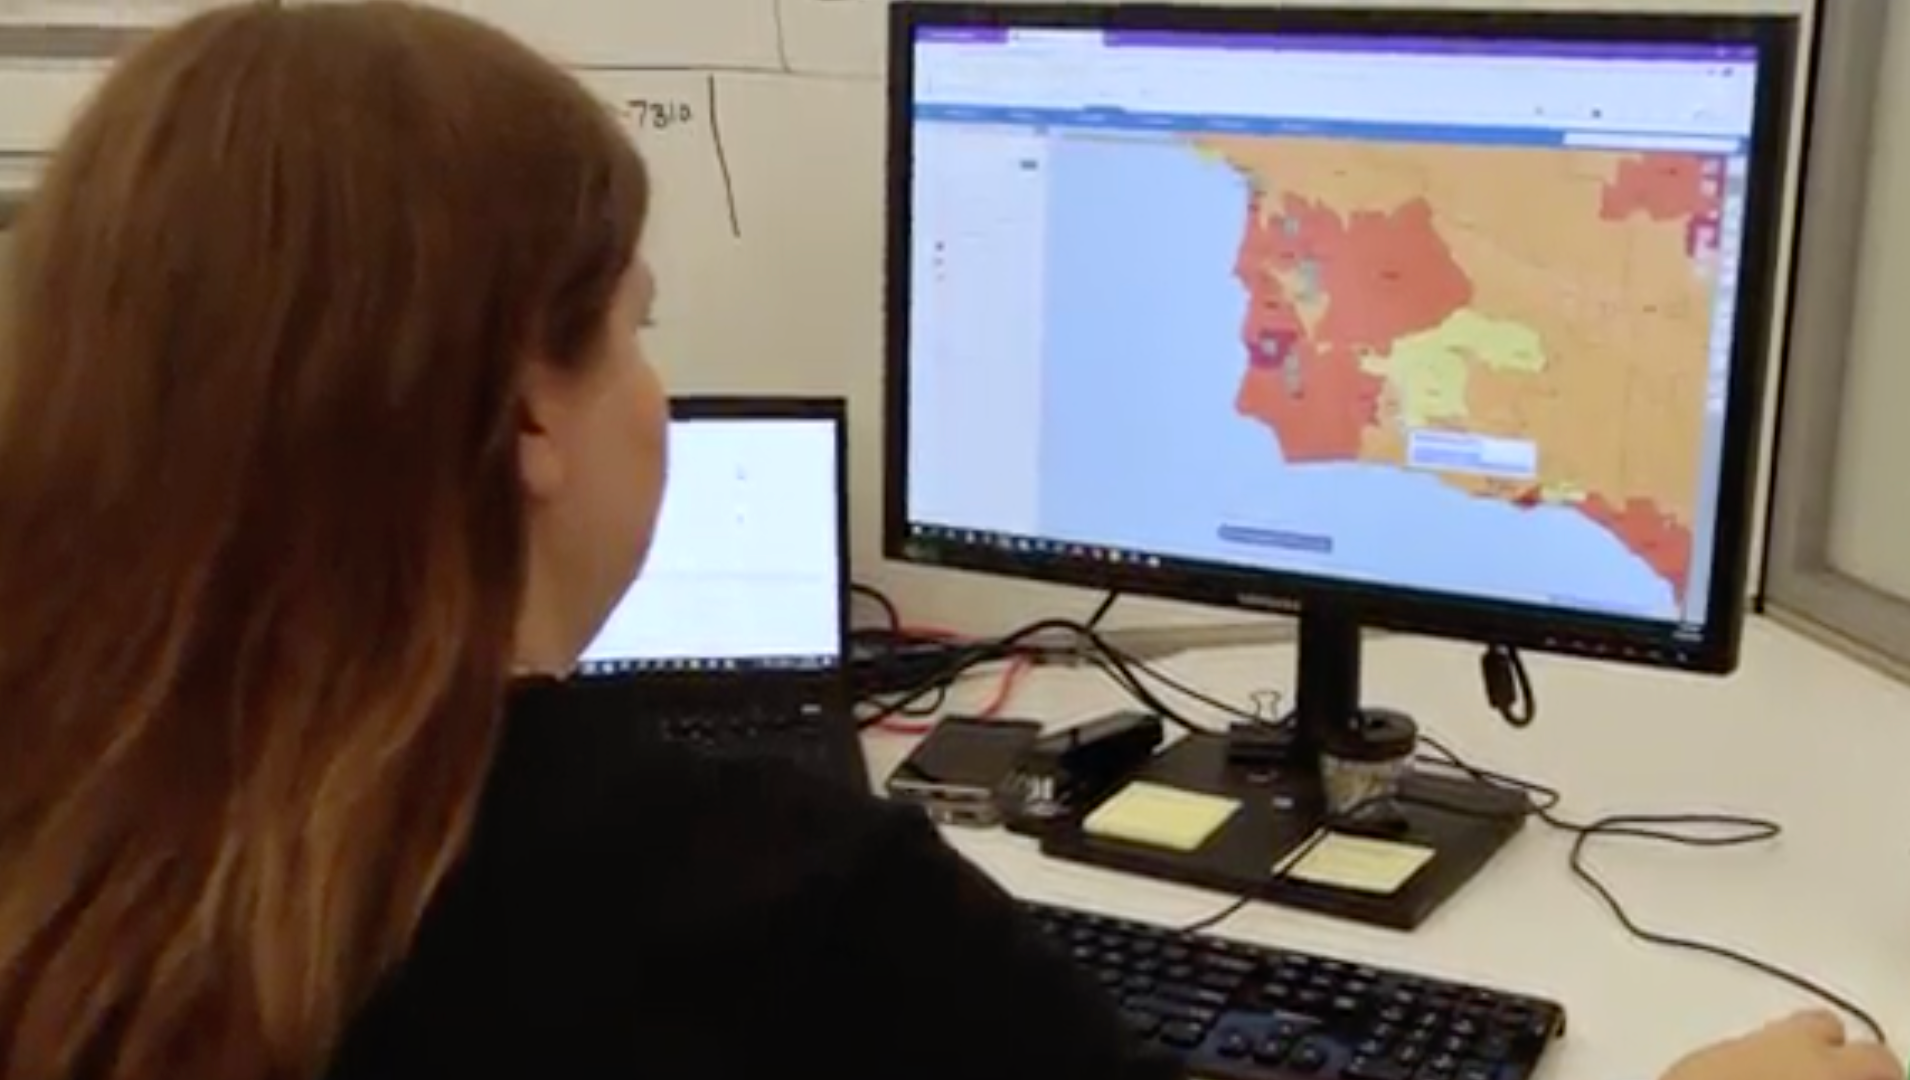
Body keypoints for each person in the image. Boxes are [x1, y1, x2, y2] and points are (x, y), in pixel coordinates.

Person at [0, 5, 1896, 1080]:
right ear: (525, 415)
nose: (658, 381)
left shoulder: (78, 808)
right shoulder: (744, 894)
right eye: (638, 324)